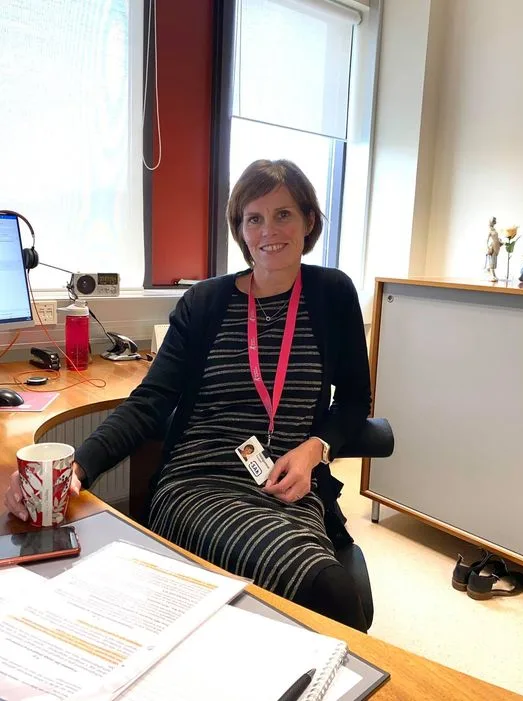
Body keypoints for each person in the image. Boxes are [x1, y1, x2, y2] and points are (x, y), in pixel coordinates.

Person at [4, 159, 371, 632]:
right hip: (199, 483)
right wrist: (79, 466)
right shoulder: (205, 303)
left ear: (309, 222)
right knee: (330, 594)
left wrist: (315, 448)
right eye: (254, 218)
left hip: (290, 486)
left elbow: (355, 400)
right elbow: (150, 402)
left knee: (324, 597)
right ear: (240, 230)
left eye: (283, 214)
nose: (268, 230)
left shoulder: (332, 294)